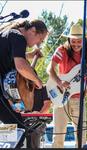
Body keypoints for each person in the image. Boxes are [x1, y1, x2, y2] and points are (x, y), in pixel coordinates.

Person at [46, 23, 87, 148]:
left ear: (84, 41)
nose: (76, 44)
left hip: (78, 97)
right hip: (60, 96)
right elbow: (49, 69)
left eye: (79, 41)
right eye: (73, 41)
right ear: (69, 39)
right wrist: (59, 82)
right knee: (58, 135)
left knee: (81, 136)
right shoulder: (62, 50)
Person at [0, 19, 49, 147]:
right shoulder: (19, 37)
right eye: (40, 39)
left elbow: (7, 55)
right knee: (19, 130)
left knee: (13, 128)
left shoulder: (8, 33)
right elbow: (20, 65)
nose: (39, 43)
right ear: (33, 30)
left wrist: (30, 55)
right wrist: (37, 80)